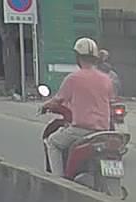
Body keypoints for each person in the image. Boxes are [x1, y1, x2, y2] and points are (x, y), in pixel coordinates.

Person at [40, 37, 115, 178]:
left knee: (53, 142)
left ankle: (58, 181)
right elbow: (111, 100)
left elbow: (57, 100)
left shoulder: (73, 79)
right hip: (104, 131)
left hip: (81, 130)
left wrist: (45, 105)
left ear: (78, 57)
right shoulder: (106, 79)